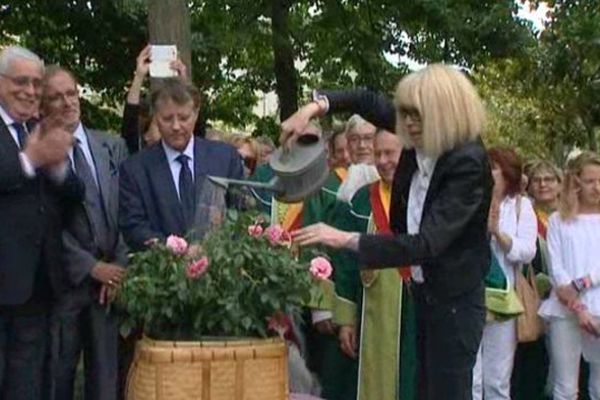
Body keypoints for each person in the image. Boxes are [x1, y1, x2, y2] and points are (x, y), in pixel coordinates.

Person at [288, 64, 492, 400]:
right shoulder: (418, 137)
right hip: (426, 295)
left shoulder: (467, 163)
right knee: (424, 390)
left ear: (444, 113)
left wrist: (344, 238)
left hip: (455, 303)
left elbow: (427, 243)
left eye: (417, 115)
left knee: (448, 392)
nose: (406, 123)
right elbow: (365, 100)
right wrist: (312, 108)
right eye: (405, 113)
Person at [40, 66, 129, 400]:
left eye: (71, 93)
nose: (67, 102)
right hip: (65, 286)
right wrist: (91, 268)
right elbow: (43, 224)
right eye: (56, 97)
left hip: (109, 289)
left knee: (106, 383)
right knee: (58, 380)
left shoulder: (108, 147)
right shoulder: (39, 152)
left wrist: (116, 269)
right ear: (42, 106)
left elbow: (123, 211)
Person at [0, 46, 82, 400]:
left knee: (28, 384)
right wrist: (31, 159)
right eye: (21, 82)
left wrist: (58, 164)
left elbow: (75, 192)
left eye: (36, 83)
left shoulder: (39, 127)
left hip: (37, 286)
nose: (30, 91)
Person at [332, 129, 417, 400]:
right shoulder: (360, 200)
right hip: (372, 314)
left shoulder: (425, 198)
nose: (382, 161)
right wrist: (345, 320)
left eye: (390, 153)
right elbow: (345, 262)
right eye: (378, 153)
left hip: (418, 310)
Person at [119, 78, 243, 251]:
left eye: (184, 118)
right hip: (163, 271)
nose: (176, 126)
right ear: (155, 116)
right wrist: (173, 249)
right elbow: (133, 227)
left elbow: (241, 213)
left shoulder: (225, 157)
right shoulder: (135, 169)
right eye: (167, 119)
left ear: (196, 113)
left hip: (219, 267)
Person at [473, 147, 537, 400]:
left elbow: (527, 251)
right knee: (471, 378)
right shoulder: (470, 202)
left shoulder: (521, 207)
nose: (489, 173)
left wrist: (498, 234)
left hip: (505, 299)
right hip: (471, 296)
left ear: (508, 173)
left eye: (494, 167)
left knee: (497, 380)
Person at [538, 151, 600, 400]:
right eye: (590, 181)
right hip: (566, 310)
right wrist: (577, 307)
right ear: (575, 183)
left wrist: (584, 282)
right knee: (565, 387)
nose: (597, 187)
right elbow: (557, 269)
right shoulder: (558, 221)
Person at [512, 159, 562, 400]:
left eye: (549, 179)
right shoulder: (524, 213)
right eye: (537, 180)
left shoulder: (570, 216)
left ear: (560, 184)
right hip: (534, 298)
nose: (543, 185)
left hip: (569, 298)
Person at [121, 45, 193, 154]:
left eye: (181, 118)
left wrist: (183, 80)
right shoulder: (138, 157)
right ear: (146, 136)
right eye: (166, 120)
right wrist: (139, 75)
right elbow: (130, 122)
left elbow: (193, 113)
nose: (174, 126)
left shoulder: (185, 158)